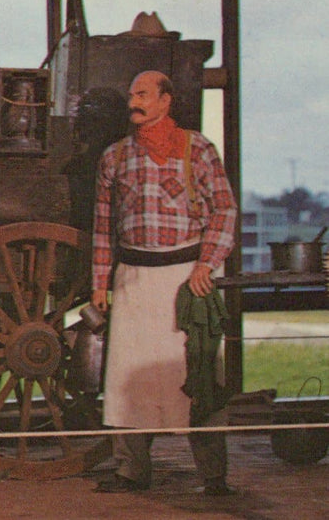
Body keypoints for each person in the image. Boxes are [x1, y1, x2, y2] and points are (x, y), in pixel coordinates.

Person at [90, 70, 238, 495]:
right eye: (131, 94)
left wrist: (206, 265)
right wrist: (101, 281)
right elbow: (102, 227)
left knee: (199, 377)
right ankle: (131, 471)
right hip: (133, 280)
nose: (133, 101)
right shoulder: (114, 157)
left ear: (165, 101)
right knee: (127, 378)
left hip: (185, 279)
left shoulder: (198, 149)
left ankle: (213, 476)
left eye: (142, 94)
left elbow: (224, 212)